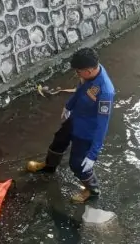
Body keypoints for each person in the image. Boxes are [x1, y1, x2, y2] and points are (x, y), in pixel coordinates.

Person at [26, 48, 115, 203]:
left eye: (78, 71)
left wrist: (93, 154)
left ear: (88, 71)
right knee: (58, 141)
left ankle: (92, 189)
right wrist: (69, 105)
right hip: (76, 118)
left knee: (77, 164)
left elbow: (102, 125)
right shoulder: (90, 72)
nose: (76, 74)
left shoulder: (105, 92)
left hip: (87, 131)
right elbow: (80, 91)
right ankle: (49, 167)